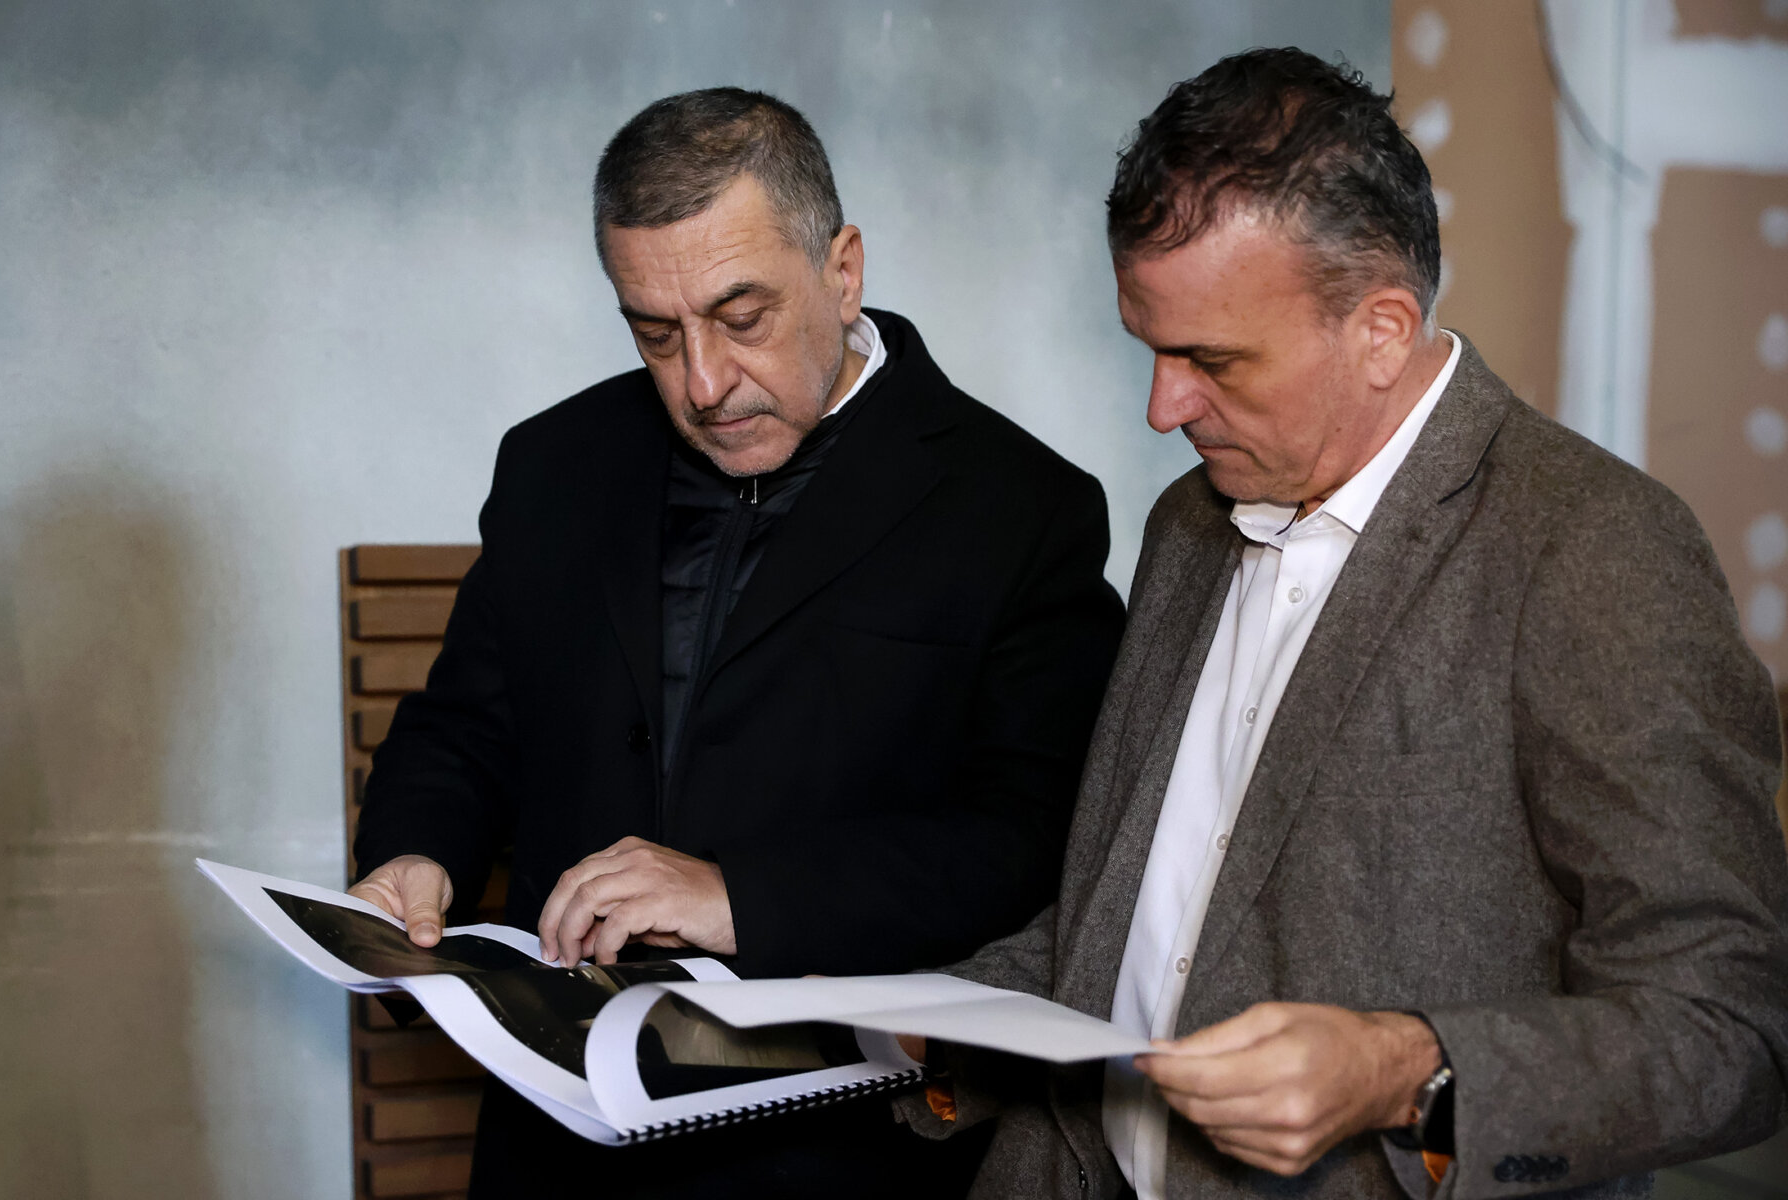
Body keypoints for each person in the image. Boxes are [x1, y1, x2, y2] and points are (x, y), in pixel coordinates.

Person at [900, 49, 1788, 1199]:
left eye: (1211, 359)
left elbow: (1729, 1026)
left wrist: (1404, 1072)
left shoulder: (1598, 550)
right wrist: (938, 1016)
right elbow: (1152, 909)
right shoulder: (1189, 522)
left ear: (1381, 330)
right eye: (1151, 349)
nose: (1163, 407)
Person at [347, 87, 1125, 1198]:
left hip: (846, 1158)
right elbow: (466, 726)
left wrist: (740, 896)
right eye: (656, 334)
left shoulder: (1023, 507)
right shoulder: (551, 462)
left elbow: (1036, 839)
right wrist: (416, 852)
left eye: (742, 318)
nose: (703, 385)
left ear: (843, 270)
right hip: (555, 1152)